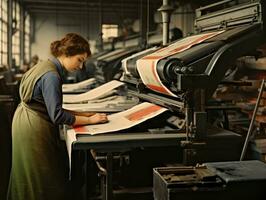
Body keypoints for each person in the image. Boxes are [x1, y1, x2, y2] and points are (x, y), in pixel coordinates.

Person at [7, 33, 108, 200]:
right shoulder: (52, 75)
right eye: (79, 60)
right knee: (41, 176)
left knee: (29, 172)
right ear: (67, 54)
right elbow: (57, 115)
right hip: (33, 127)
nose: (81, 66)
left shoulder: (46, 66)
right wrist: (90, 120)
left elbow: (51, 106)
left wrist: (83, 114)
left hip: (25, 120)